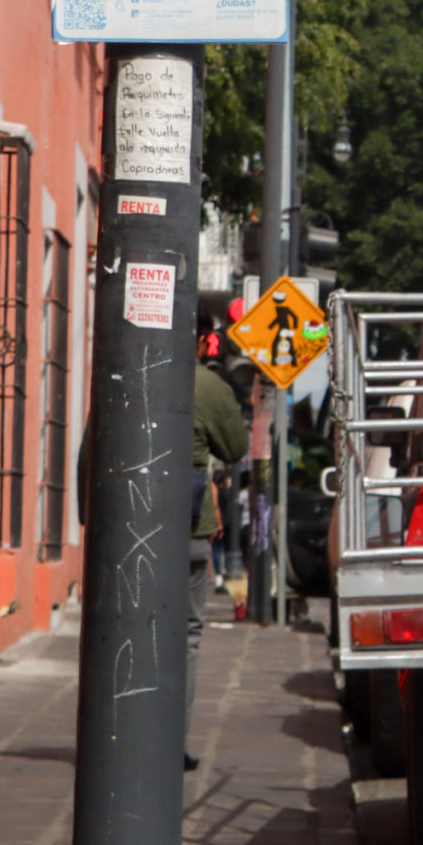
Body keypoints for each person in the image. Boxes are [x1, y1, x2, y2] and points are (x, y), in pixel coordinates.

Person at [188, 328, 250, 769]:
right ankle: (172, 742)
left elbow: (84, 455)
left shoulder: (118, 372)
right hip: (187, 529)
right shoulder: (207, 386)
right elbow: (235, 448)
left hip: (119, 532)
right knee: (186, 637)